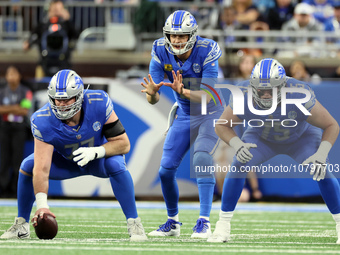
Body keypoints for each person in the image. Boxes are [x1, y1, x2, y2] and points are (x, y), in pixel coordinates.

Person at [0, 69, 147, 241]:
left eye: (66, 98)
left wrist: (95, 151)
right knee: (28, 165)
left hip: (96, 160)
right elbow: (42, 167)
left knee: (116, 164)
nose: (61, 104)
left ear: (79, 96)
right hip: (65, 162)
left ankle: (134, 223)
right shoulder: (42, 119)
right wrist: (42, 206)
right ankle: (21, 224)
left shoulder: (98, 102)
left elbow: (123, 144)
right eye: (58, 99)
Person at [207, 58, 340, 244]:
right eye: (260, 90)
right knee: (238, 164)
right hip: (261, 137)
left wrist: (322, 153)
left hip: (300, 138)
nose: (265, 95)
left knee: (321, 170)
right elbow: (221, 125)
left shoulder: (299, 93)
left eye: (270, 90)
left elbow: (331, 125)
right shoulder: (243, 94)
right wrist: (237, 144)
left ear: (283, 86)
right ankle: (222, 226)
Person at [140, 10, 224, 238]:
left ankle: (204, 221)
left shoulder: (207, 50)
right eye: (173, 35)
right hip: (185, 115)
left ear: (193, 36)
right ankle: (173, 222)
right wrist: (151, 94)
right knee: (165, 171)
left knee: (202, 158)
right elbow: (154, 98)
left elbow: (208, 95)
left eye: (182, 36)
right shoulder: (159, 50)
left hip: (210, 113)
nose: (176, 40)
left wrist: (183, 91)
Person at [23, 0, 78, 78]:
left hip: (63, 63)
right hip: (45, 62)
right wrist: (28, 43)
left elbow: (76, 35)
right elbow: (34, 36)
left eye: (58, 9)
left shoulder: (66, 24)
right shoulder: (43, 24)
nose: (56, 10)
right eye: (54, 8)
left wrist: (68, 20)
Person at [0, 65, 33, 198]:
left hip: (19, 129)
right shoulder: (2, 91)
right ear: (6, 76)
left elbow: (24, 110)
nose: (11, 76)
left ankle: (15, 188)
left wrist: (7, 108)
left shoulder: (26, 91)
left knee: (17, 159)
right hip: (4, 127)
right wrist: (15, 107)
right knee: (3, 159)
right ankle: (2, 187)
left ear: (19, 76)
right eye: (9, 73)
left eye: (14, 73)